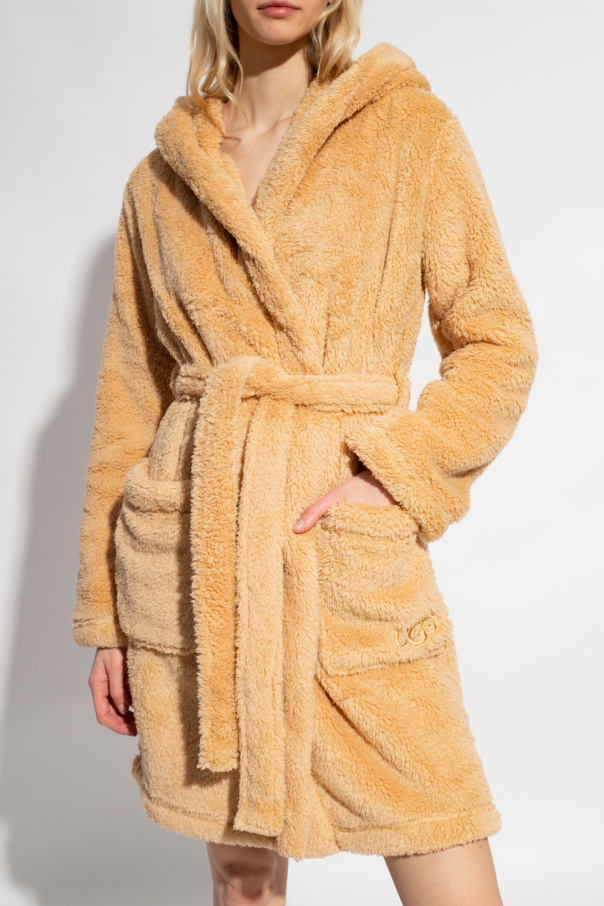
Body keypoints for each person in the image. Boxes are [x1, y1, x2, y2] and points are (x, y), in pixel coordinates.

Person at [72, 1, 538, 904]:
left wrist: (396, 476)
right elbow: (129, 405)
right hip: (200, 555)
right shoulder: (160, 180)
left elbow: (497, 342)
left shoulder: (409, 130)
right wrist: (108, 620)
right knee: (241, 871)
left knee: (434, 820)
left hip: (339, 552)